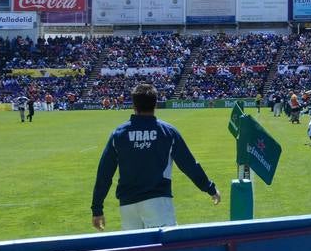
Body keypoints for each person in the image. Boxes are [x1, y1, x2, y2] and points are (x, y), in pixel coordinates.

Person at [90, 82, 221, 230]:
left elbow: (104, 173)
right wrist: (210, 188)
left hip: (128, 205)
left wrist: (97, 208)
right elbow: (189, 164)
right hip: (158, 201)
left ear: (133, 105)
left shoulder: (119, 134)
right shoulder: (168, 132)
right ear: (156, 104)